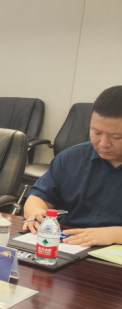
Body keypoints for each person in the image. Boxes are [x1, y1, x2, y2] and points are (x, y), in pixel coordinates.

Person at [22, 86, 122, 247]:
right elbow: (39, 197)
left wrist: (116, 234)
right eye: (96, 133)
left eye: (117, 137)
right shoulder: (71, 158)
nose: (103, 143)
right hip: (71, 244)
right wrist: (36, 212)